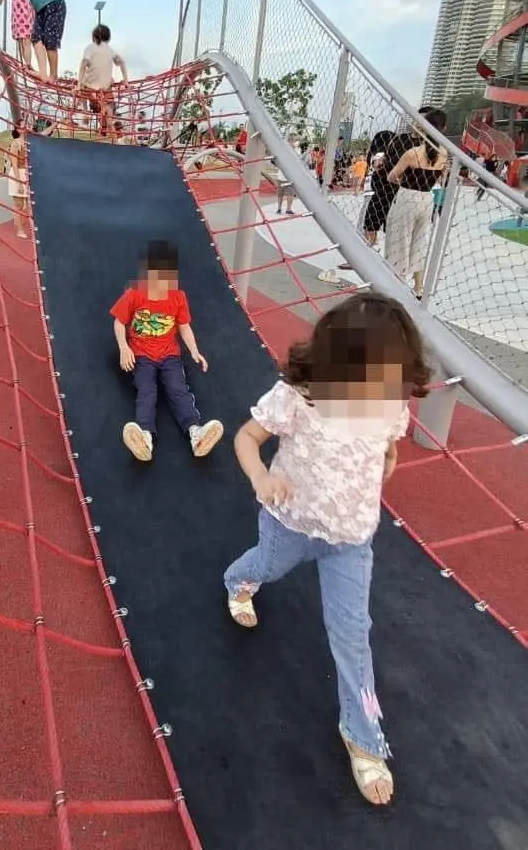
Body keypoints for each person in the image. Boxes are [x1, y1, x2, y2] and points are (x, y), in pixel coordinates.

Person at [224, 292, 429, 806]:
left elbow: (388, 443)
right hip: (290, 524)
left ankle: (363, 736)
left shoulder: (390, 403)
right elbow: (246, 437)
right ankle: (237, 580)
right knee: (266, 566)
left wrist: (385, 460)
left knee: (354, 636)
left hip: (351, 542)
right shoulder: (301, 395)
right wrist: (262, 477)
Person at [111, 240, 224, 462]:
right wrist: (124, 348)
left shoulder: (177, 296)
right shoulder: (134, 294)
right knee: (147, 390)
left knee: (177, 388)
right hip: (141, 354)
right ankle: (145, 436)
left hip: (169, 354)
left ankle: (195, 433)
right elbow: (119, 322)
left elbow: (184, 326)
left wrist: (194, 351)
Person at [384, 108, 448, 298]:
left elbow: (391, 176)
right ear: (443, 128)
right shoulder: (444, 153)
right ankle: (418, 288)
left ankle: (395, 285)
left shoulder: (412, 153)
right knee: (419, 242)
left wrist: (402, 182)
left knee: (399, 241)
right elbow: (441, 178)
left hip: (408, 196)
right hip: (427, 198)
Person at [78, 24, 128, 138]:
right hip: (104, 89)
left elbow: (83, 65)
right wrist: (126, 80)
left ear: (93, 37)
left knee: (83, 89)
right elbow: (122, 62)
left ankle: (86, 113)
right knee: (108, 115)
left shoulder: (90, 48)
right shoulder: (110, 51)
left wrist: (78, 84)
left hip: (91, 88)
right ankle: (109, 131)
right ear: (108, 38)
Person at [0, 0, 34, 67]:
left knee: (22, 42)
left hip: (19, 17)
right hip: (27, 17)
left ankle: (27, 64)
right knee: (25, 42)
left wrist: (0, 0)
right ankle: (27, 64)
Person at [7, 126, 28, 238]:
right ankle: (20, 230)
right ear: (18, 130)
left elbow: (43, 134)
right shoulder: (15, 143)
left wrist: (55, 124)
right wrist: (19, 182)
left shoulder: (30, 141)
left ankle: (27, 226)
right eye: (23, 126)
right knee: (19, 204)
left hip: (28, 173)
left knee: (30, 204)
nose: (26, 127)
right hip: (18, 173)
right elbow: (14, 164)